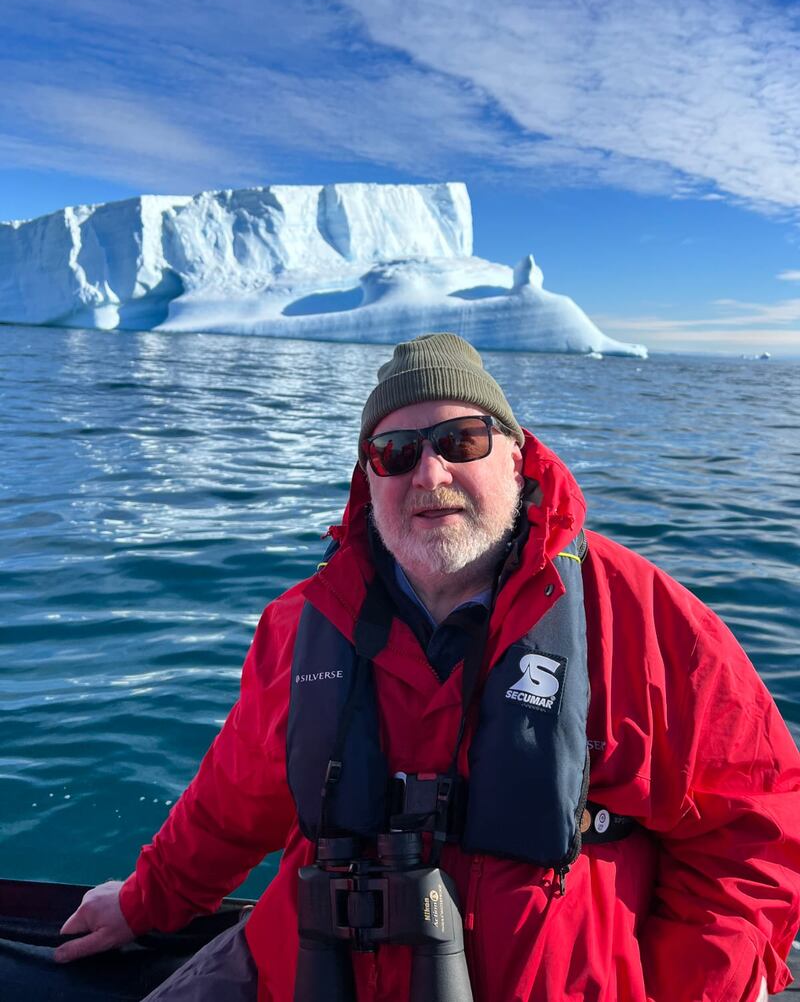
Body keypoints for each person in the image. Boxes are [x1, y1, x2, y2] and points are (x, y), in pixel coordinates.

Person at [55, 333, 800, 1001]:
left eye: (462, 440)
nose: (429, 471)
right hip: (300, 973)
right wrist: (140, 903)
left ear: (516, 454)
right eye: (395, 452)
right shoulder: (305, 623)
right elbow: (232, 803)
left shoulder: (639, 617)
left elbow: (755, 832)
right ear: (368, 479)